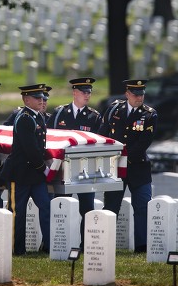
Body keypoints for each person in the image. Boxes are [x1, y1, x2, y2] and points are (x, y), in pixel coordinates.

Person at [98, 79, 157, 253]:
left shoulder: (149, 114)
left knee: (142, 206)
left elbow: (144, 142)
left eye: (142, 94)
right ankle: (105, 244)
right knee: (111, 206)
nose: (139, 98)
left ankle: (141, 246)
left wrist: (126, 158)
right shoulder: (115, 109)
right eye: (136, 94)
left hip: (138, 166)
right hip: (115, 166)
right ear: (127, 94)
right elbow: (104, 133)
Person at [46, 77, 101, 251]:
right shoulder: (60, 113)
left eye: (89, 92)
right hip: (64, 170)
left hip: (85, 171)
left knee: (87, 209)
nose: (87, 95)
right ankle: (57, 243)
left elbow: (99, 143)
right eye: (84, 92)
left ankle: (86, 245)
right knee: (61, 206)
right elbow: (50, 138)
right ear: (75, 92)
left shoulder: (94, 117)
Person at [0, 83, 50, 255]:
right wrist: (43, 168)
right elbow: (30, 149)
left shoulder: (37, 117)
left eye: (42, 97)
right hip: (20, 173)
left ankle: (49, 246)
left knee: (46, 207)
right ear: (26, 99)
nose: (41, 100)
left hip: (34, 175)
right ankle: (17, 248)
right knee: (17, 212)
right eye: (37, 97)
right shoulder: (25, 118)